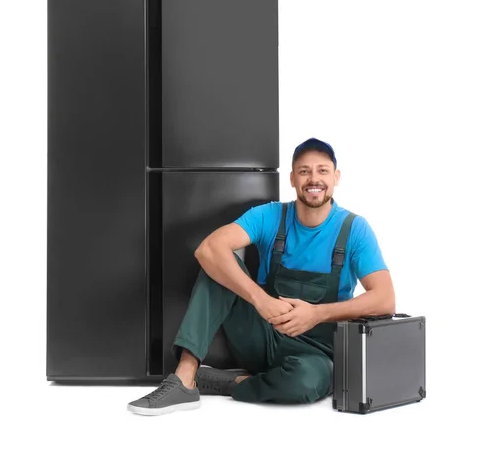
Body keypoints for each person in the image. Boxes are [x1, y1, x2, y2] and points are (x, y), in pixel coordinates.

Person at [127, 137, 395, 415]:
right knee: (218, 263)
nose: (314, 179)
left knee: (305, 382)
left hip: (316, 353)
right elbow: (208, 249)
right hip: (261, 334)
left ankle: (236, 383)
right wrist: (261, 301)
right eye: (304, 171)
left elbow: (385, 299)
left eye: (322, 170)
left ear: (336, 177)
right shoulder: (270, 216)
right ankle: (185, 377)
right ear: (292, 178)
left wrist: (316, 314)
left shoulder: (355, 229)